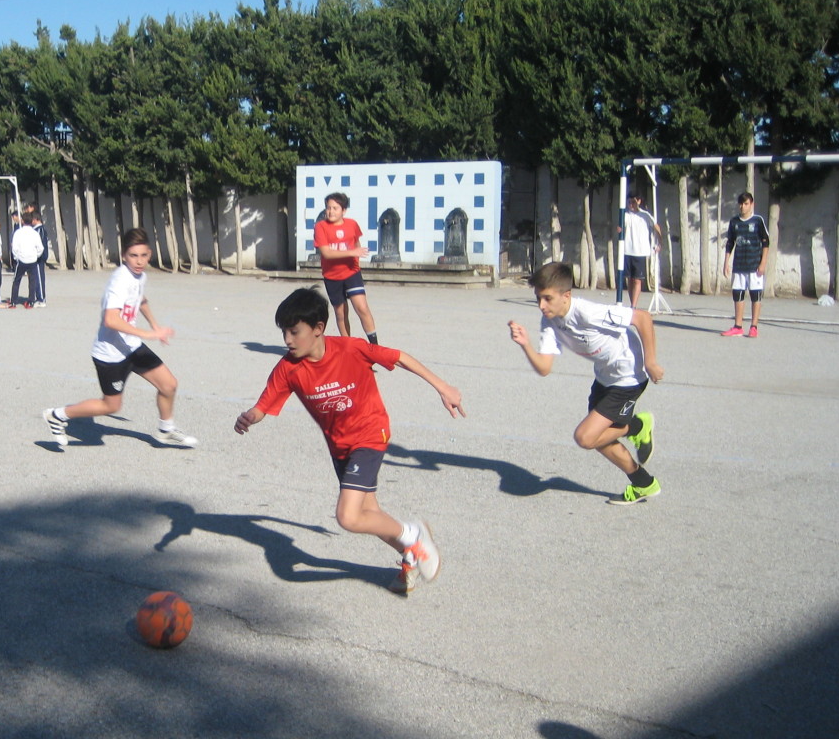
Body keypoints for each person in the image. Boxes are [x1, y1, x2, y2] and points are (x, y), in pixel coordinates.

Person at [233, 286, 463, 593]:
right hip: (339, 446)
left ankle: (414, 535)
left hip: (370, 433)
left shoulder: (351, 349)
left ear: (318, 329)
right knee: (369, 514)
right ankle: (410, 552)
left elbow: (400, 357)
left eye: (294, 331)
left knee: (348, 516)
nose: (287, 340)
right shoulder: (288, 369)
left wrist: (443, 386)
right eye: (284, 332)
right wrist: (250, 416)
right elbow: (264, 405)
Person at [508, 261, 664, 505]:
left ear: (566, 296)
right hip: (604, 378)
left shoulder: (587, 312)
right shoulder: (549, 322)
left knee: (586, 437)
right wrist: (525, 344)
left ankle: (636, 427)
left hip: (629, 377)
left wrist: (651, 361)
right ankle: (643, 483)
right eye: (538, 298)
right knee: (601, 440)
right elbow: (544, 368)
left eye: (547, 298)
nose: (541, 305)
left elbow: (642, 318)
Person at [42, 228, 198, 451]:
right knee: (110, 405)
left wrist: (155, 325)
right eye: (133, 256)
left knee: (169, 385)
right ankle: (57, 415)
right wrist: (149, 334)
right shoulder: (119, 281)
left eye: (143, 255)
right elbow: (110, 320)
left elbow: (140, 299)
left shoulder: (140, 275)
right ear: (124, 255)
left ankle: (166, 429)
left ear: (150, 254)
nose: (139, 261)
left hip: (131, 346)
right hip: (110, 354)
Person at [314, 192, 379, 344]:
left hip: (351, 273)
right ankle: (348, 346)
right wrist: (352, 252)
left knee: (362, 308)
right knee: (341, 313)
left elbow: (356, 245)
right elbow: (326, 253)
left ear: (343, 210)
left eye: (335, 208)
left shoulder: (352, 224)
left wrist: (355, 260)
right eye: (328, 208)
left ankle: (375, 347)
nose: (331, 211)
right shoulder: (320, 227)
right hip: (332, 276)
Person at [721, 191, 771, 338]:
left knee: (755, 295)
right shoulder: (734, 222)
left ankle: (754, 327)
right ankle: (738, 326)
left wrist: (763, 263)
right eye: (741, 204)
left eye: (746, 203)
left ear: (752, 204)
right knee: (738, 294)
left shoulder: (758, 221)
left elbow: (766, 243)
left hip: (754, 265)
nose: (743, 207)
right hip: (739, 265)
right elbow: (730, 243)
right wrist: (726, 262)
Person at [618, 193, 661, 309]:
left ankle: (634, 306)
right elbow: (620, 228)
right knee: (630, 279)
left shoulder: (645, 215)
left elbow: (657, 228)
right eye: (629, 202)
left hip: (640, 252)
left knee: (637, 280)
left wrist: (659, 243)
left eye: (633, 202)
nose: (631, 204)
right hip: (627, 251)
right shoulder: (625, 215)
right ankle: (632, 304)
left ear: (638, 201)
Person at [8, 214, 43, 308]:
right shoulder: (35, 233)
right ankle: (31, 301)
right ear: (32, 222)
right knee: (32, 281)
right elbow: (40, 248)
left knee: (16, 280)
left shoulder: (18, 233)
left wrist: (17, 257)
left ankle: (13, 301)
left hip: (22, 259)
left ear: (22, 221)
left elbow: (14, 247)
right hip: (32, 260)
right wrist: (36, 255)